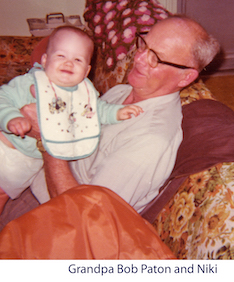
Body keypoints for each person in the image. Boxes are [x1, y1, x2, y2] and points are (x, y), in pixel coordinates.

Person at [16, 16, 220, 214]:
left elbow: (85, 217)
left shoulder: (150, 140)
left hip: (45, 210)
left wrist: (46, 137)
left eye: (155, 58)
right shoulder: (124, 91)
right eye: (143, 45)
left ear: (186, 77)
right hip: (31, 174)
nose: (138, 58)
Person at [0, 26, 143, 213]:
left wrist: (117, 113)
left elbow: (97, 110)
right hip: (5, 150)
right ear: (45, 60)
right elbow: (3, 98)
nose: (69, 63)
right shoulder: (30, 83)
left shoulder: (82, 93)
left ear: (86, 71)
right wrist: (12, 118)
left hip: (27, 167)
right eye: (61, 56)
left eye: (77, 59)